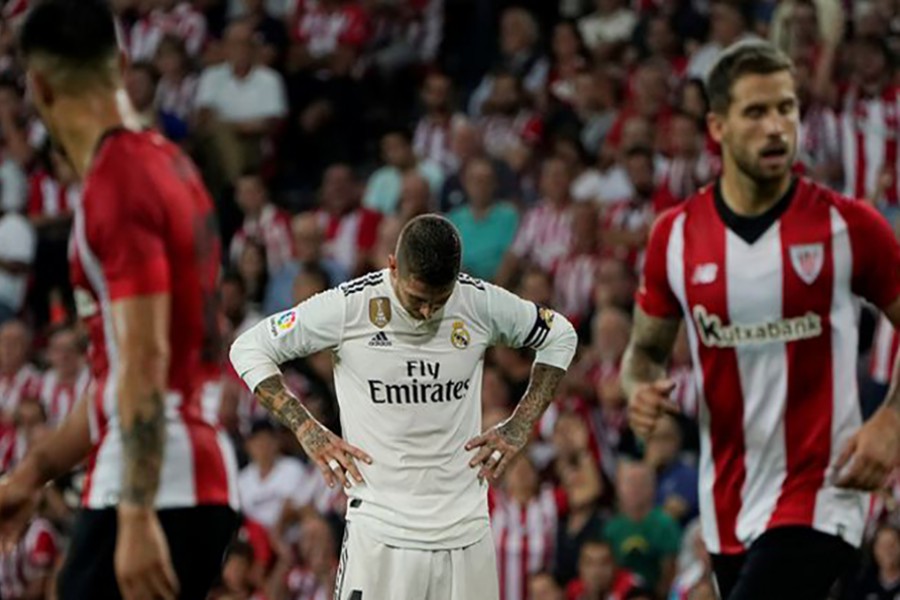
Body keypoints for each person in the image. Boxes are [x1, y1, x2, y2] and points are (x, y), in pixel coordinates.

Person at [622, 39, 900, 600]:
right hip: (729, 501)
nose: (776, 127)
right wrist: (637, 388)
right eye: (757, 112)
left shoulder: (848, 228)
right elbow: (644, 352)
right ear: (718, 127)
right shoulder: (674, 238)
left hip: (824, 490)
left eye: (786, 108)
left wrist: (893, 420)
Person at [0, 2, 240, 599]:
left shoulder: (116, 183)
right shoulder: (167, 163)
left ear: (39, 87)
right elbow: (121, 372)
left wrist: (134, 515)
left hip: (154, 487)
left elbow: (144, 359)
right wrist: (32, 473)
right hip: (185, 474)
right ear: (122, 62)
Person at [230, 214, 578, 599]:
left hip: (466, 534)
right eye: (418, 299)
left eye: (439, 301)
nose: (428, 312)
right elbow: (249, 347)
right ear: (392, 266)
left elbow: (559, 335)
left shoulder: (478, 302)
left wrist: (520, 424)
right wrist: (306, 428)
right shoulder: (350, 308)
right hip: (381, 535)